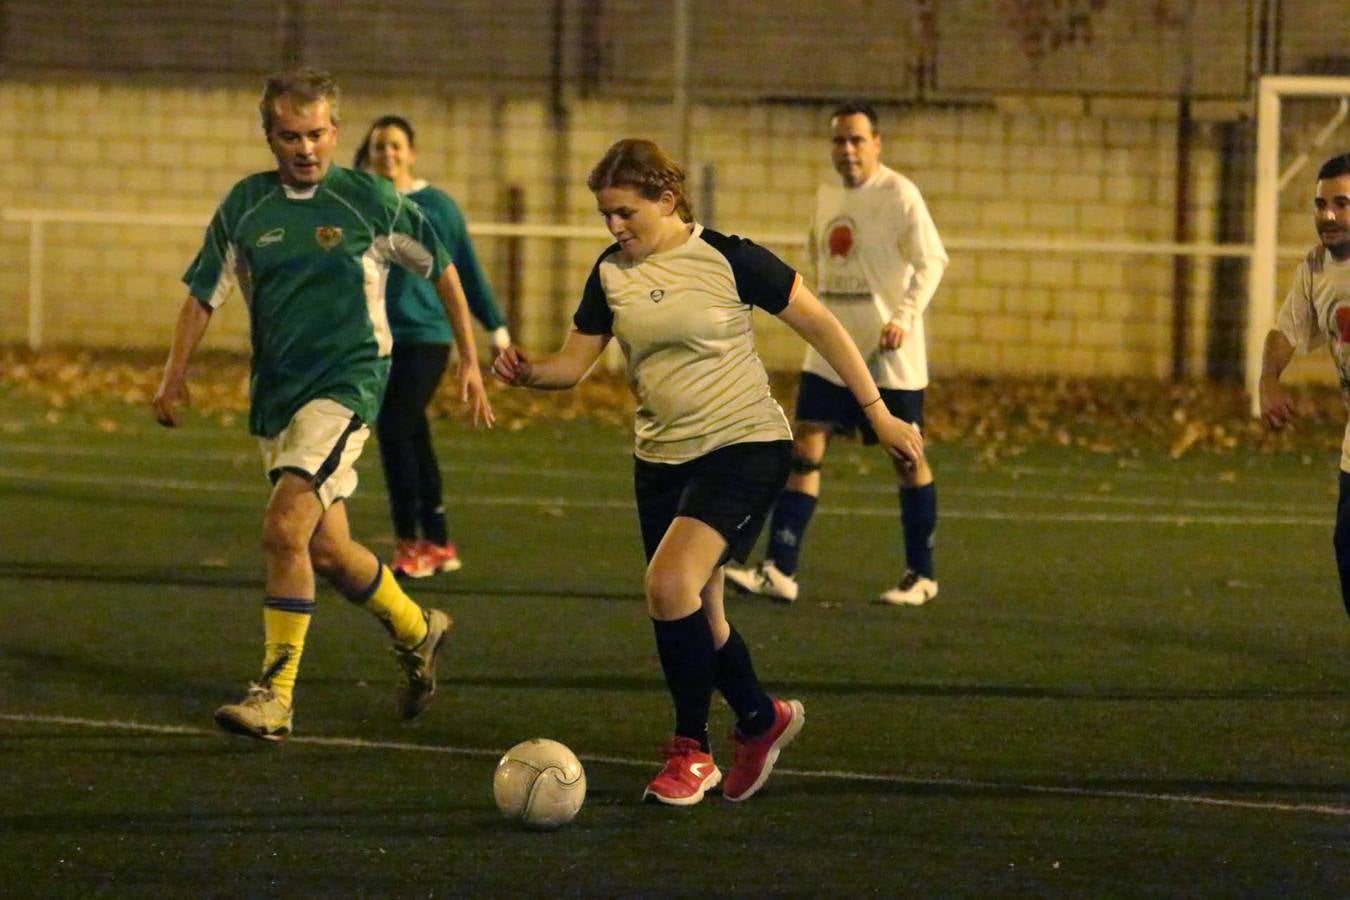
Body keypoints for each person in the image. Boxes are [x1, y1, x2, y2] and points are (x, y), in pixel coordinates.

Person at [492, 139, 924, 805]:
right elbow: (571, 366)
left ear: (667, 200)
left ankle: (690, 751)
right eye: (605, 214)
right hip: (661, 462)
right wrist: (527, 372)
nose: (613, 227)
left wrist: (880, 414)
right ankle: (759, 718)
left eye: (625, 212)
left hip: (744, 446)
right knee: (702, 614)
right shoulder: (609, 273)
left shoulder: (729, 257)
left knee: (668, 585)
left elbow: (826, 329)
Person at [152, 68, 494, 741]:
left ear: (335, 132)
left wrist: (472, 360)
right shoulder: (248, 206)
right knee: (329, 549)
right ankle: (419, 628)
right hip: (279, 392)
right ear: (270, 136)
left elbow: (444, 267)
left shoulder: (370, 200)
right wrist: (174, 373)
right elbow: (203, 293)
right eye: (289, 135)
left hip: (348, 384)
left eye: (316, 134)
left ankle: (275, 695)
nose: (305, 148)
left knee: (284, 529)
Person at [725, 102, 948, 607]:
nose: (847, 150)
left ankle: (922, 574)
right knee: (805, 445)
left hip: (890, 352)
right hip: (831, 348)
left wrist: (904, 316)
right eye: (839, 141)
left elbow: (932, 261)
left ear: (877, 144)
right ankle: (780, 569)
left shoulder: (900, 194)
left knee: (907, 456)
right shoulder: (826, 195)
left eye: (856, 140)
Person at [354, 116, 511, 579]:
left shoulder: (437, 206)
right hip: (378, 339)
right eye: (380, 146)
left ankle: (410, 544)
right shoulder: (362, 205)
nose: (388, 154)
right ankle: (439, 540)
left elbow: (463, 271)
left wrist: (495, 329)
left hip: (425, 337)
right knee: (413, 432)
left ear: (412, 152)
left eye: (396, 146)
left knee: (396, 425)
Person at [1259, 151, 1350, 621]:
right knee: (1348, 549)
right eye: (1321, 204)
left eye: (1342, 202)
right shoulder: (1316, 268)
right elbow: (1287, 330)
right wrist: (1269, 382)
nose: (1329, 215)